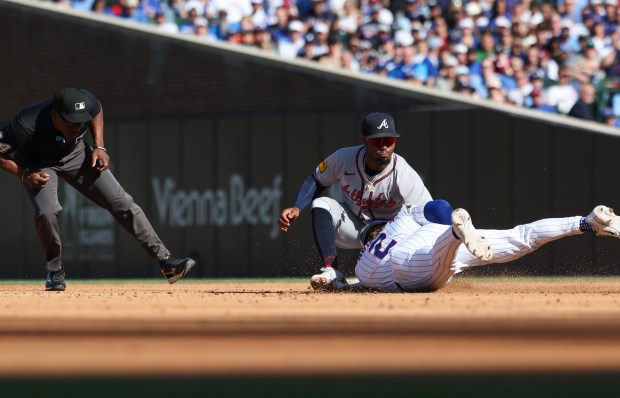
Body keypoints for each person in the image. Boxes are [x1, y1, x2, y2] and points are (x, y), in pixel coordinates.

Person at [0, 88, 196, 291]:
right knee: (48, 211)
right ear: (54, 115)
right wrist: (23, 174)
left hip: (74, 154)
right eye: (71, 121)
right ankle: (54, 270)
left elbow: (97, 109)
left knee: (122, 202)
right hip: (37, 163)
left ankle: (166, 262)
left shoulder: (88, 101)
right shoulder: (24, 125)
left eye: (80, 121)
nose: (77, 126)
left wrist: (99, 146)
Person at [278, 112, 453, 290]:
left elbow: (429, 217)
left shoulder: (405, 175)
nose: (384, 145)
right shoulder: (344, 158)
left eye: (389, 139)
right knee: (321, 203)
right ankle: (331, 271)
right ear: (364, 140)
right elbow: (315, 179)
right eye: (377, 140)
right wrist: (298, 207)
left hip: (393, 234)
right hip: (354, 226)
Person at [327, 204, 620, 292]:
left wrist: (335, 283)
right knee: (521, 236)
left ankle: (456, 233)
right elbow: (438, 206)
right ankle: (586, 222)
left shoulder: (365, 259)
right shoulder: (401, 219)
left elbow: (359, 284)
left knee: (429, 263)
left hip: (408, 262)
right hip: (436, 236)